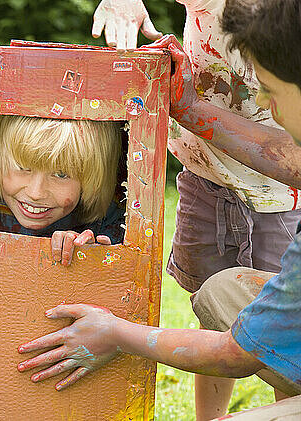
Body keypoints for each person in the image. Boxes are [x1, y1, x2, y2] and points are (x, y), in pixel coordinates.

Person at [17, 0, 301, 418]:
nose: (261, 97)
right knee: (219, 293)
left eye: (270, 90)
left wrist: (115, 333)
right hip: (210, 174)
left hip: (273, 200)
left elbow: (235, 353)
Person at [0, 115, 124, 265]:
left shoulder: (112, 211)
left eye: (61, 174)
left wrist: (91, 255)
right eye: (22, 167)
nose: (36, 193)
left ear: (94, 179)